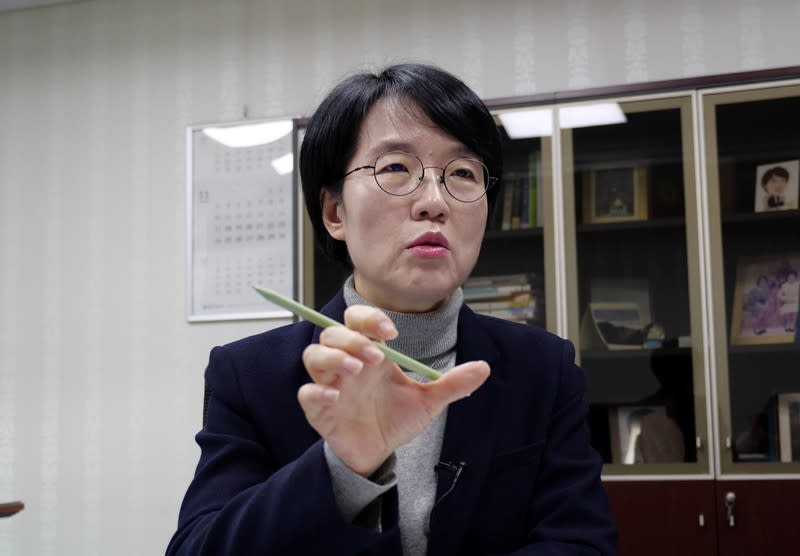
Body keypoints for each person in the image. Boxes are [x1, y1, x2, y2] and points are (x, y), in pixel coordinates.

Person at [166, 63, 617, 555]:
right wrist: (344, 467)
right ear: (334, 213)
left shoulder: (543, 368)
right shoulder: (250, 375)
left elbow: (582, 543)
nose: (434, 201)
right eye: (396, 168)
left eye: (462, 174)